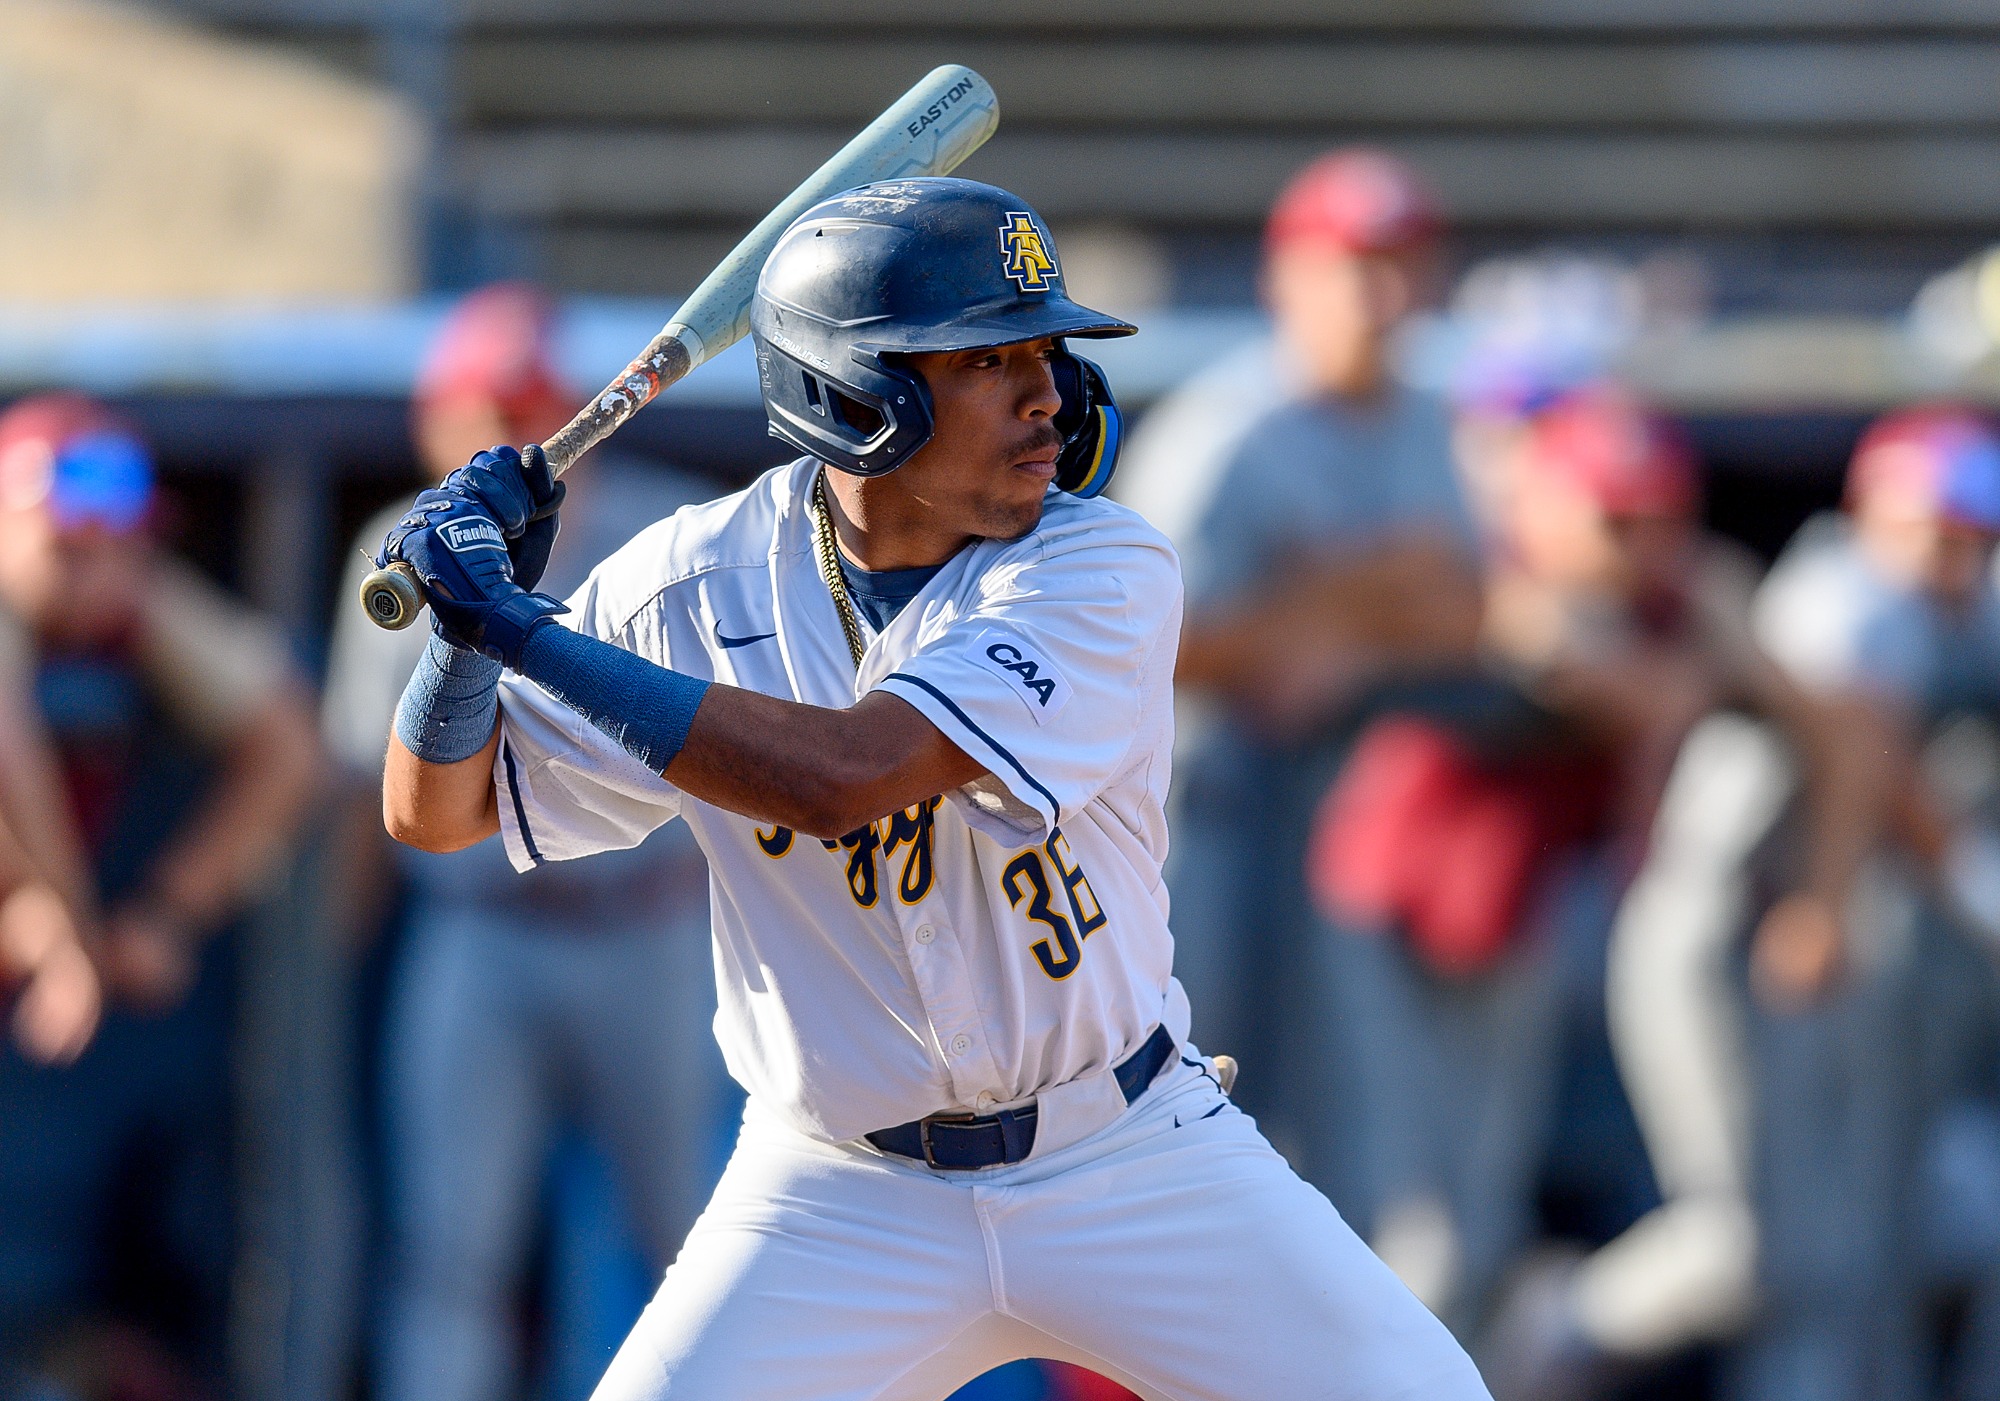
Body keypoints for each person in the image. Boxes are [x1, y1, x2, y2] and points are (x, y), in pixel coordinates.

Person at [370, 177, 1491, 1400]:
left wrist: (526, 630)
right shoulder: (686, 583)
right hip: (834, 1197)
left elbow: (847, 777)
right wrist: (458, 639)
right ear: (860, 403)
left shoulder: (1098, 565)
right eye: (985, 359)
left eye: (1046, 351)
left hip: (1127, 1156)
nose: (1046, 396)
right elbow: (437, 813)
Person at [319, 284, 723, 1401]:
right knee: (447, 1259)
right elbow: (365, 780)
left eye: (527, 409)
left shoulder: (671, 534)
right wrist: (338, 959)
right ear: (432, 420)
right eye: (478, 410)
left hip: (648, 930)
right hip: (477, 933)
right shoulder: (394, 554)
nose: (501, 436)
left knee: (697, 1254)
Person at [1475, 391, 1896, 1400]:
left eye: (1659, 515)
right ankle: (1530, 1340)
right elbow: (1622, 686)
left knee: (1746, 1243)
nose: (1644, 542)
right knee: (1449, 1222)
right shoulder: (1507, 580)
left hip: (1626, 938)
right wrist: (1708, 677)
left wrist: (1825, 902)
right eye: (1615, 517)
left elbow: (1844, 728)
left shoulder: (1690, 588)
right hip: (1452, 936)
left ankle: (1544, 1338)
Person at [1145, 150, 1486, 1213]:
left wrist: (1337, 623)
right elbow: (1144, 647)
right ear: (1284, 277)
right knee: (1195, 1128)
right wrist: (1362, 594)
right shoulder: (1225, 431)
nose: (1381, 296)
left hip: (1360, 817)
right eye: (1352, 266)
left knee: (1357, 1158)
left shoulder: (1432, 418)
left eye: (1401, 265)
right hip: (1212, 818)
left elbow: (1469, 610)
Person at [0, 394, 322, 1391]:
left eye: (119, 548)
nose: (100, 570)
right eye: (70, 547)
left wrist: (166, 909)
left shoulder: (124, 604)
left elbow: (288, 742)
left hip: (61, 1001)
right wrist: (60, 927)